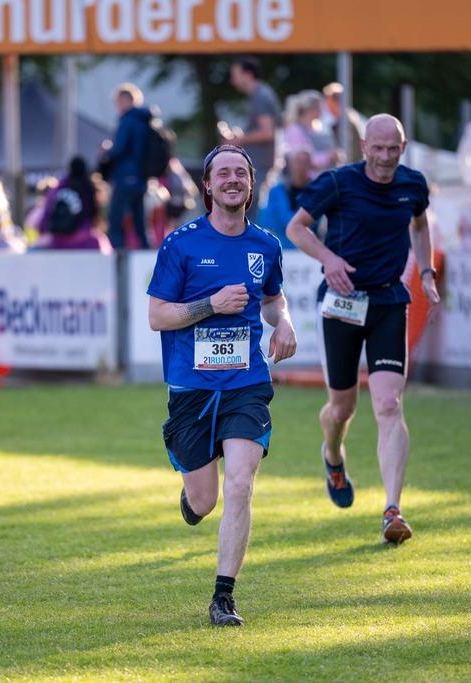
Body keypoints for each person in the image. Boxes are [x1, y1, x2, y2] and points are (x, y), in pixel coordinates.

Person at [147, 143, 296, 627]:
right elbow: (157, 316)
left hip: (246, 383)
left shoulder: (266, 245)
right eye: (223, 173)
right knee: (205, 501)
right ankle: (192, 495)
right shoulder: (181, 244)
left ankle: (223, 597)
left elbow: (273, 299)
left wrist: (284, 322)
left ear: (251, 185)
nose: (233, 180)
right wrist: (211, 304)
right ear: (208, 185)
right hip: (191, 388)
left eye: (241, 173)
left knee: (241, 483)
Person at [285, 114, 440, 545]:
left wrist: (426, 271)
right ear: (365, 146)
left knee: (389, 404)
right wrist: (328, 259)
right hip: (342, 304)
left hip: (389, 302)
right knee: (342, 409)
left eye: (394, 149)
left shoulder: (413, 185)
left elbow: (420, 224)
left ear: (403, 148)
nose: (386, 157)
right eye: (379, 148)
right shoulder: (339, 183)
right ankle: (333, 454)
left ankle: (392, 510)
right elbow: (296, 227)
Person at [226, 58, 283, 219]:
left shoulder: (260, 96)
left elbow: (267, 132)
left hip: (260, 167)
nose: (233, 81)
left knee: (252, 217)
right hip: (260, 166)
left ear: (248, 74)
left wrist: (239, 140)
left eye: (235, 75)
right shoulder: (261, 94)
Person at [103, 83, 152, 249]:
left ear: (127, 100)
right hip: (141, 178)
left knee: (115, 221)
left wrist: (107, 151)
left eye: (118, 102)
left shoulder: (127, 121)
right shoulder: (145, 121)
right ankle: (146, 256)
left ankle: (117, 258)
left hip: (125, 177)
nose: (117, 107)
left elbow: (119, 149)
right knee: (140, 224)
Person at [37, 157, 112, 253]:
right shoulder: (89, 188)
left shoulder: (58, 187)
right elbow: (95, 216)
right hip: (85, 242)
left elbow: (45, 217)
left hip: (57, 242)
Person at [259, 148, 319, 248]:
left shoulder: (318, 191)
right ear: (290, 165)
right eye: (298, 162)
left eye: (305, 163)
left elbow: (314, 224)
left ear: (311, 166)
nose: (301, 167)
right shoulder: (276, 191)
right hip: (280, 247)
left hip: (308, 249)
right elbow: (267, 222)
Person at [282, 90, 338, 177]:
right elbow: (301, 160)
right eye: (319, 108)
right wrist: (328, 156)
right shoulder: (294, 130)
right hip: (306, 181)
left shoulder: (320, 126)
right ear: (310, 109)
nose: (321, 111)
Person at [322, 82, 366, 164]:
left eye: (327, 100)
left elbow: (351, 151)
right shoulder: (350, 119)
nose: (326, 105)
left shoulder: (347, 122)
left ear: (333, 101)